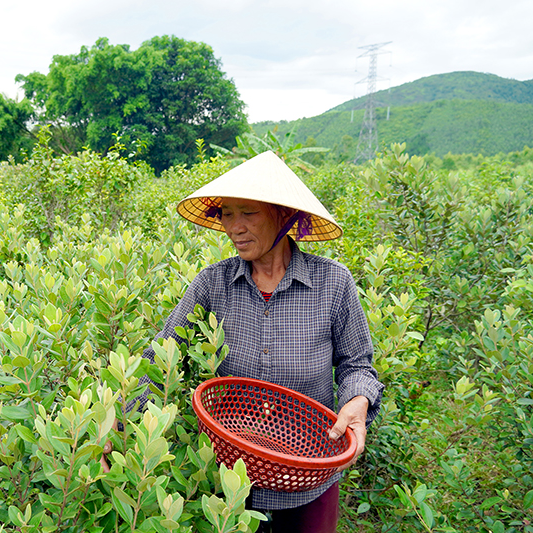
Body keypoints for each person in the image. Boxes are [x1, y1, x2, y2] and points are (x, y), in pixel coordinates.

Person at [117, 151, 384, 533]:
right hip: (234, 471)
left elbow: (357, 364)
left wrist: (357, 402)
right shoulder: (214, 283)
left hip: (310, 471)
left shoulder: (333, 283)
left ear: (284, 215)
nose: (234, 227)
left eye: (249, 213)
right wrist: (115, 422)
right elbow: (161, 357)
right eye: (227, 213)